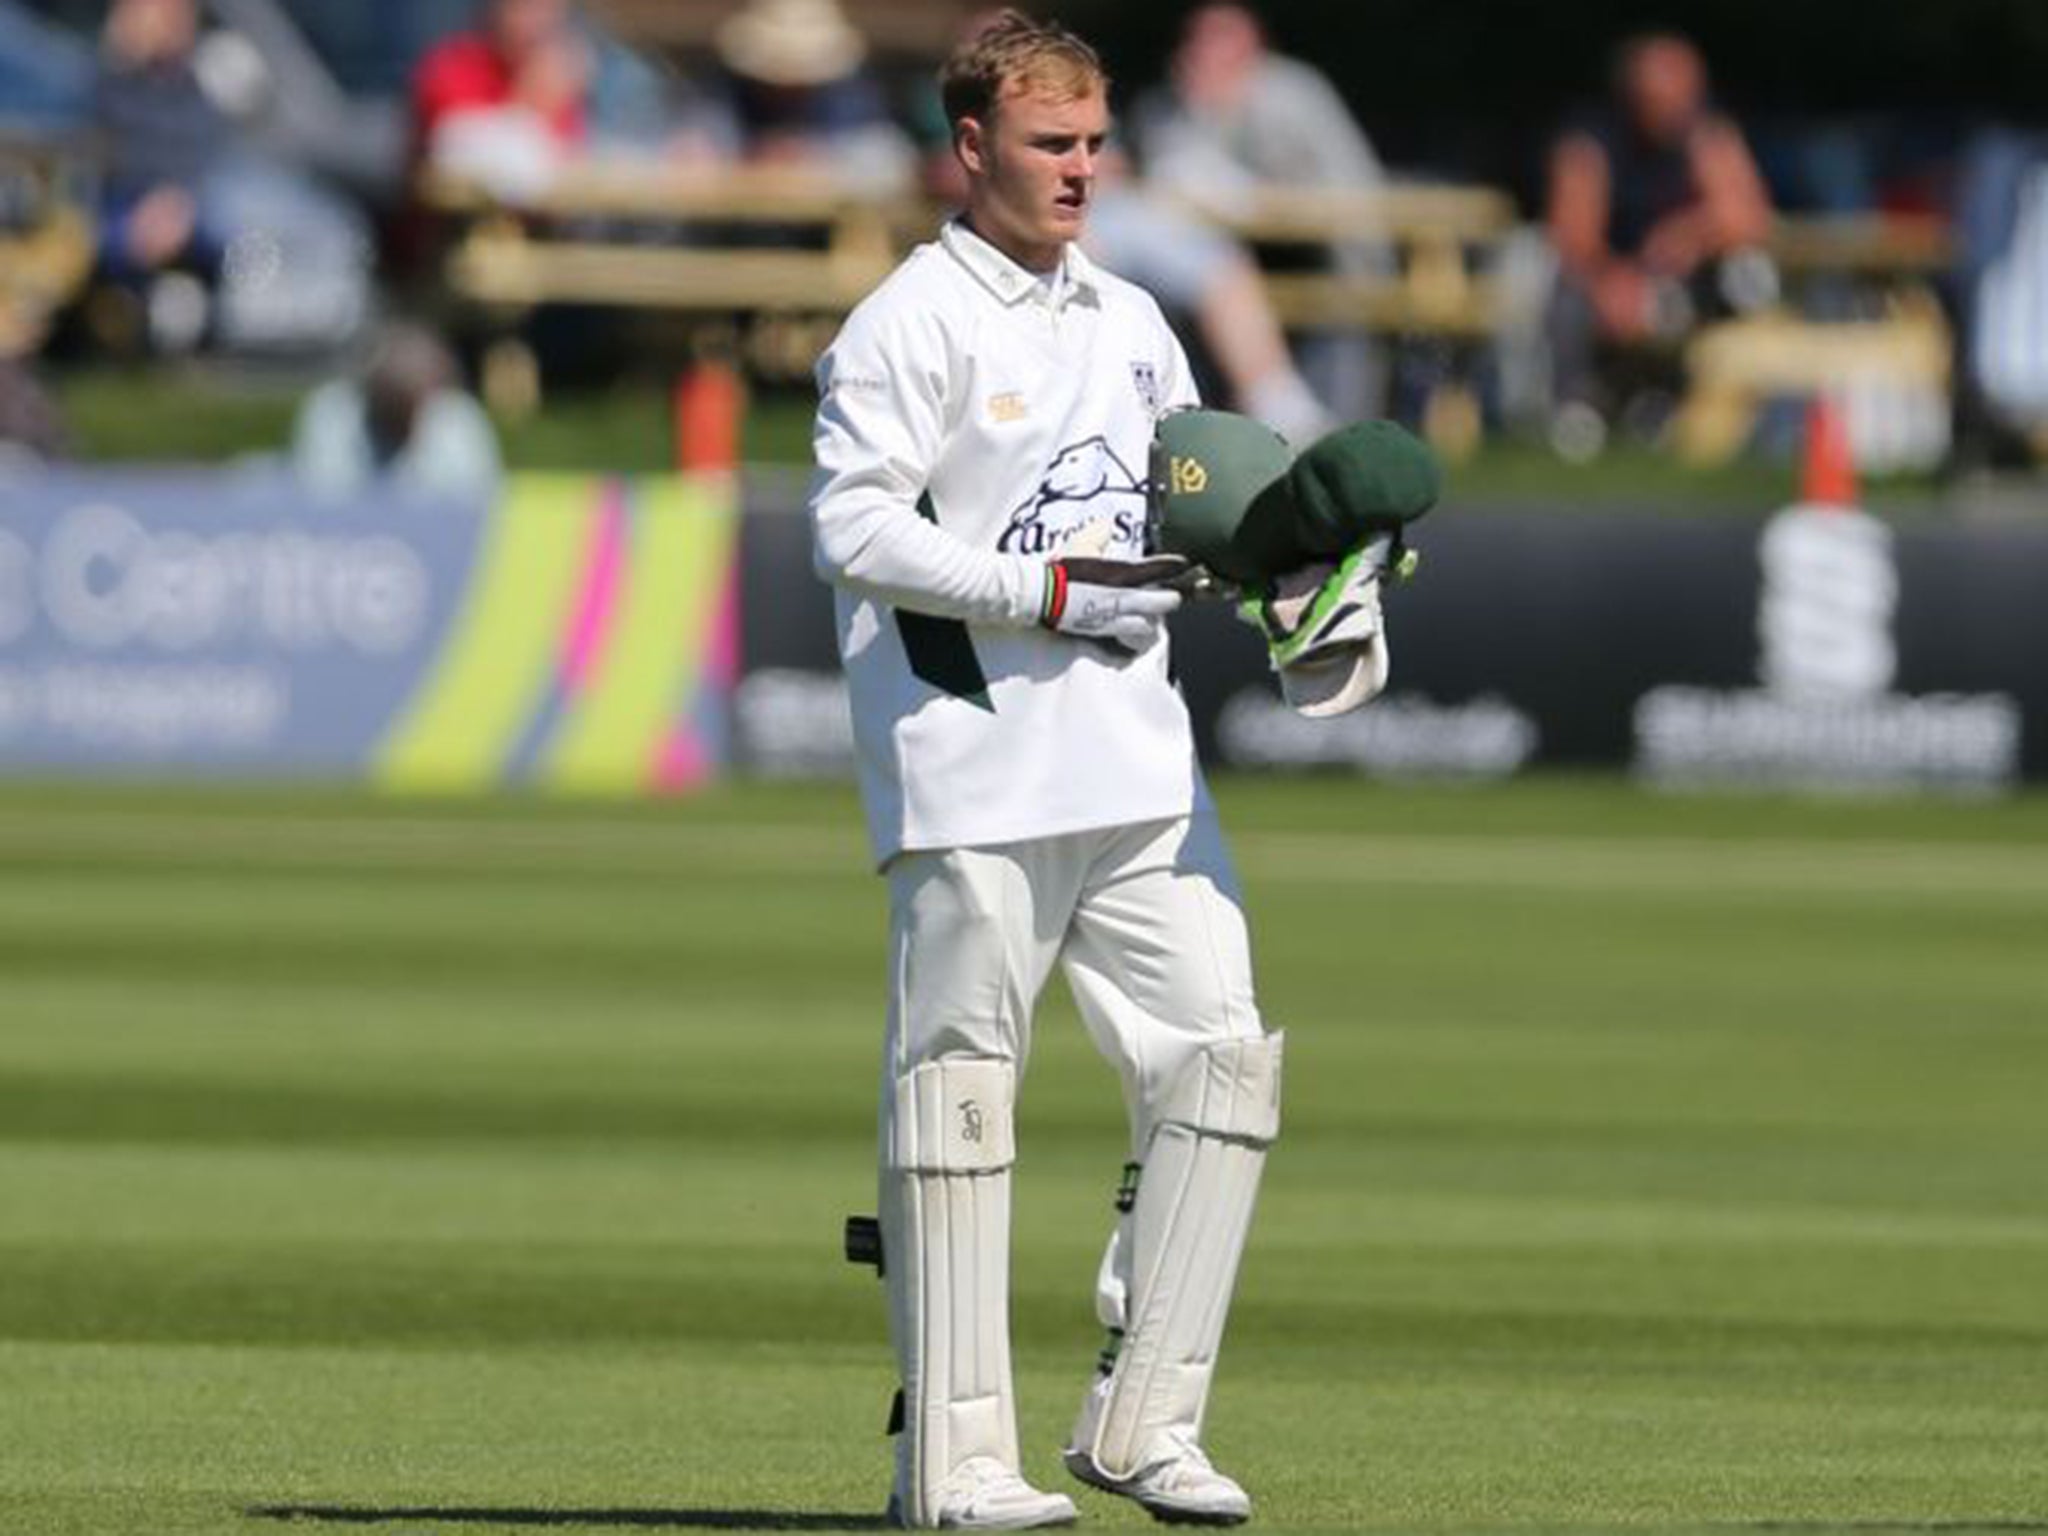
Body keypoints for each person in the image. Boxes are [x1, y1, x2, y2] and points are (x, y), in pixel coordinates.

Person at [810, 11, 1281, 1529]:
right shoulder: (905, 324)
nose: (1080, 170)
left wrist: (1303, 573)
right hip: (975, 773)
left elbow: (1190, 520)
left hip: (1143, 768)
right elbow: (855, 530)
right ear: (971, 149)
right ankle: (950, 1467)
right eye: (1048, 145)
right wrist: (1047, 595)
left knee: (1223, 1062)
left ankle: (1145, 1424)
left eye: (1094, 143)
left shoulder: (1137, 318)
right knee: (959, 1103)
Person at [1130, 1, 1391, 419]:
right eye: (1196, 42)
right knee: (1193, 279)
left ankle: (1301, 414)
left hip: (1331, 253)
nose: (1201, 52)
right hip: (1237, 257)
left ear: (1251, 46)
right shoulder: (1172, 102)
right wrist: (1203, 110)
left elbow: (1347, 188)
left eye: (1216, 41)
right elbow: (1167, 175)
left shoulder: (1294, 94)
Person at [1543, 31, 1774, 448]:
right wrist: (1611, 278)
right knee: (1563, 286)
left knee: (1751, 276)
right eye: (1662, 99)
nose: (1677, 109)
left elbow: (1750, 219)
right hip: (1607, 275)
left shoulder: (1706, 133)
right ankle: (1578, 410)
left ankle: (1695, 408)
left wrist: (1691, 233)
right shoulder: (1592, 140)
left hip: (1682, 283)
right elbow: (1572, 234)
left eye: (1686, 95)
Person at [289, 319, 502, 501]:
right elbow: (316, 500)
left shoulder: (458, 422)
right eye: (394, 402)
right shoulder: (332, 416)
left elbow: (477, 506)